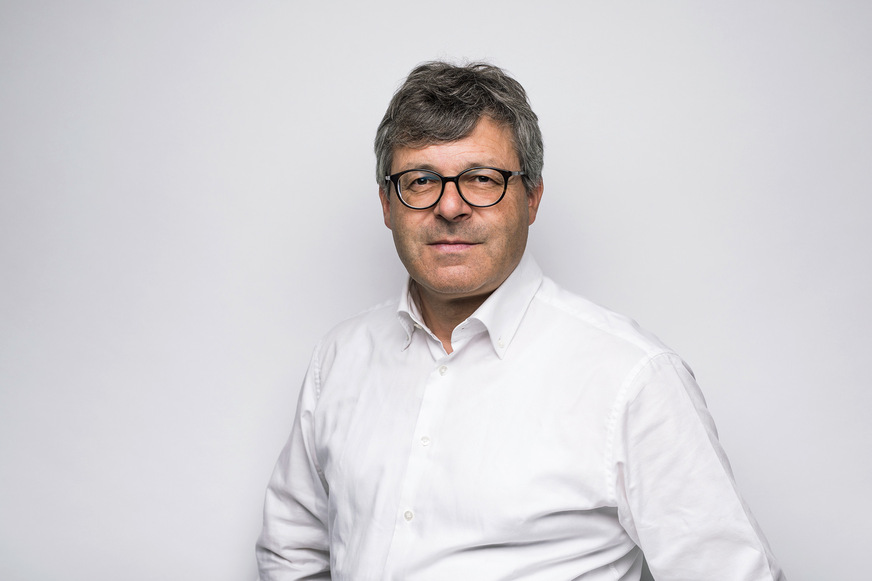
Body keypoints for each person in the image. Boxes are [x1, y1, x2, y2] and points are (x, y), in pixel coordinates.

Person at [256, 61, 786, 580]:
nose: (450, 207)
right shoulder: (340, 358)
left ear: (531, 198)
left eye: (481, 179)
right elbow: (291, 553)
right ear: (387, 204)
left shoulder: (631, 378)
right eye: (420, 180)